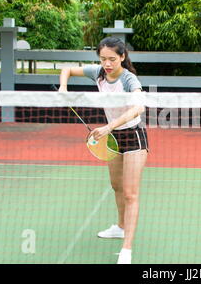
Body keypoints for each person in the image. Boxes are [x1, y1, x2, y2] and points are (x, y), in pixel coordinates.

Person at [58, 37, 148, 264]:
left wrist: (108, 126)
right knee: (116, 186)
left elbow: (138, 108)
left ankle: (126, 250)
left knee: (130, 193)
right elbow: (67, 69)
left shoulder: (129, 79)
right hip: (113, 136)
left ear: (122, 57)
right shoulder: (98, 73)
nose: (107, 63)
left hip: (133, 136)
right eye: (103, 59)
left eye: (112, 59)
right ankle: (120, 227)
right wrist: (63, 87)